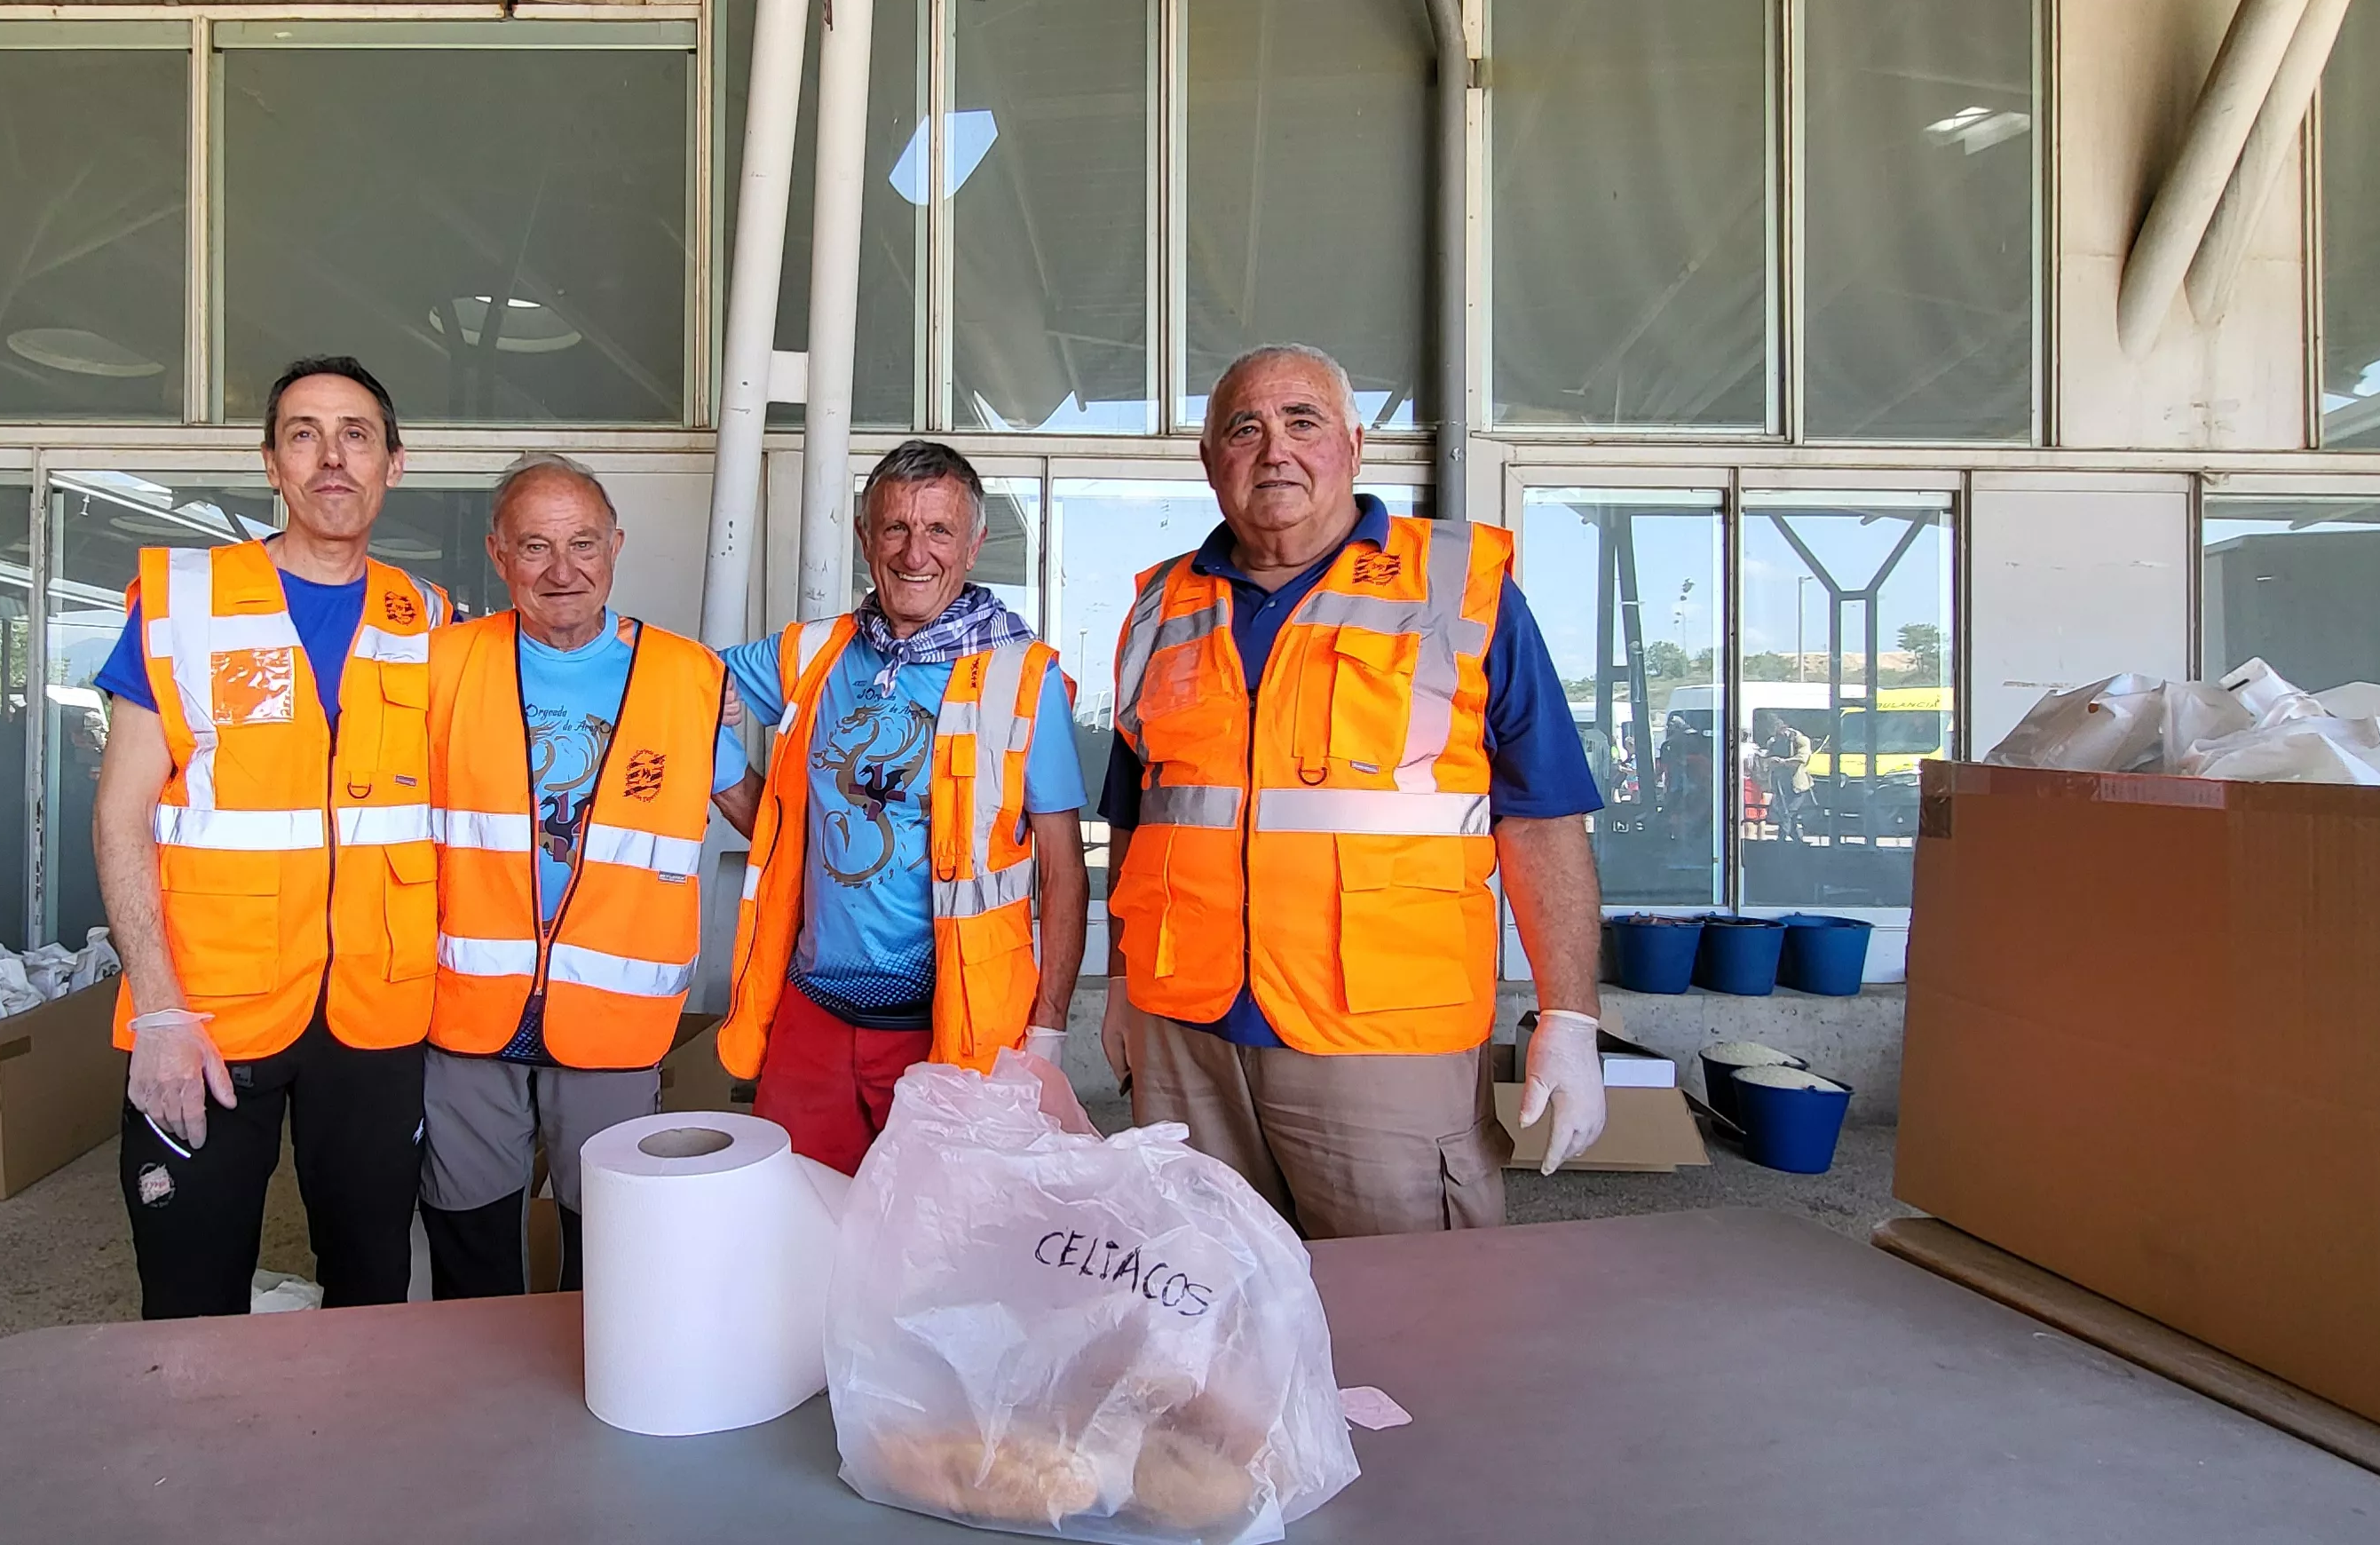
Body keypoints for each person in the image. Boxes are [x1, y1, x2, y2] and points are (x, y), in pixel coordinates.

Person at [1100, 345, 1614, 1240]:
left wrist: (1568, 1016)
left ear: (1352, 444)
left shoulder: (1458, 588)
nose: (1274, 451)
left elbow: (1541, 819)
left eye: (1302, 422)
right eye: (1243, 429)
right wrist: (1117, 986)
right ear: (1209, 457)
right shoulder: (1158, 608)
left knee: (1415, 1321)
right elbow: (1142, 820)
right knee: (1207, 1305)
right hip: (1187, 1036)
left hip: (1383, 1042)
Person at [90, 355, 454, 1319]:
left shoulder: (430, 622)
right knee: (190, 1291)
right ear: (271, 463)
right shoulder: (183, 603)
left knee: (372, 1286)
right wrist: (159, 1009)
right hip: (209, 1019)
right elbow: (120, 815)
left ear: (393, 464)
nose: (332, 457)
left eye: (356, 434)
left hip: (375, 1017)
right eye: (304, 433)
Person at [420, 455, 748, 1299]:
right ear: (499, 555)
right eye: (535, 547)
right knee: (468, 1238)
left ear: (616, 547)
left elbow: (758, 818)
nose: (562, 571)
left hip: (615, 1020)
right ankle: (481, 1416)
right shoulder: (439, 667)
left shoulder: (687, 677)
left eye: (583, 544)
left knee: (605, 1255)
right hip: (464, 1014)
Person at [716, 440, 1093, 1173]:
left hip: (955, 1027)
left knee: (939, 1251)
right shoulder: (816, 653)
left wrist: (1048, 1033)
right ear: (864, 538)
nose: (914, 552)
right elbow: (679, 696)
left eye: (939, 531)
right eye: (894, 528)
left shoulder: (1022, 677)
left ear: (974, 545)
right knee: (801, 1226)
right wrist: (764, 813)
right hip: (814, 1013)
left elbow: (1065, 871)